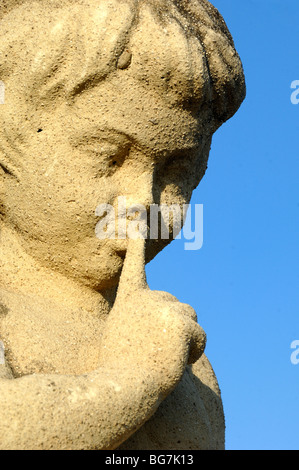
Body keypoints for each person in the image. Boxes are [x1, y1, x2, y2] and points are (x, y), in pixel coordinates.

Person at [0, 0, 245, 449]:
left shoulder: (188, 362)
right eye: (108, 156)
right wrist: (135, 379)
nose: (142, 205)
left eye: (174, 172)